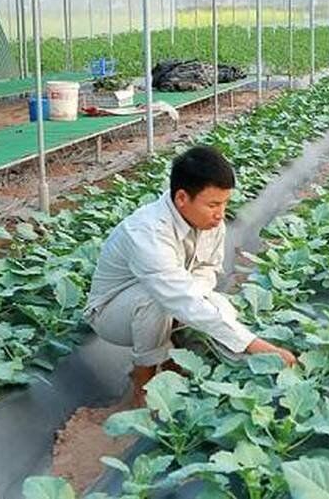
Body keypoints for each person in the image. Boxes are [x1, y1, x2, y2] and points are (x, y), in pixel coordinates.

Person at [85, 145, 297, 405]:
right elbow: (176, 297)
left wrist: (201, 298)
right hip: (111, 314)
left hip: (171, 299)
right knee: (158, 299)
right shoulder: (147, 232)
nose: (220, 214)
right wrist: (255, 345)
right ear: (182, 198)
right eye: (213, 204)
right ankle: (143, 381)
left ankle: (174, 362)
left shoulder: (210, 222)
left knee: (216, 305)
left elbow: (208, 268)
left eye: (225, 203)